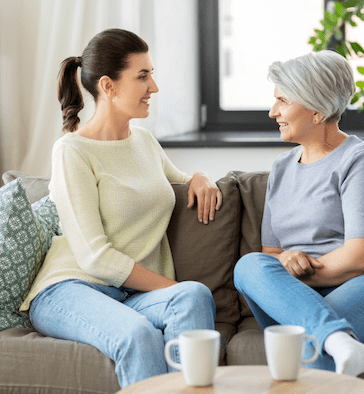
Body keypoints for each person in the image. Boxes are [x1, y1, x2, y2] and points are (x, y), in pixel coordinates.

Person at [19, 29, 222, 388]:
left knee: (194, 295)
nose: (154, 87)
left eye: (151, 74)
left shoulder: (143, 141)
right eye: (142, 76)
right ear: (108, 86)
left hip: (130, 296)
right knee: (138, 334)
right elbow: (94, 257)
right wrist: (167, 286)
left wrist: (201, 177)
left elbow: (180, 178)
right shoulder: (72, 151)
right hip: (71, 290)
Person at [234, 50, 364, 377]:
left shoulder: (359, 158)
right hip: (301, 294)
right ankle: (336, 337)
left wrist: (296, 278)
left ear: (317, 110)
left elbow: (362, 255)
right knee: (248, 265)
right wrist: (287, 265)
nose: (272, 111)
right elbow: (271, 255)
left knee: (306, 343)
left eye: (283, 101)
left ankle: (327, 335)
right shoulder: (280, 168)